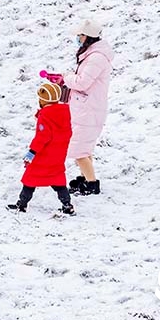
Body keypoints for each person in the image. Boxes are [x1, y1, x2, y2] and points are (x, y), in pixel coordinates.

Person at [56, 19, 114, 196]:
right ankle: (85, 178)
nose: (78, 38)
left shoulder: (96, 58)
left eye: (80, 35)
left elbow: (82, 83)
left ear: (88, 37)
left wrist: (67, 77)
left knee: (78, 150)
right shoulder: (93, 55)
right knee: (84, 148)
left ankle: (91, 184)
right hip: (86, 108)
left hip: (88, 110)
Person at [7, 83, 74, 215]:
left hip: (43, 155)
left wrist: (32, 152)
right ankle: (67, 204)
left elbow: (42, 137)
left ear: (44, 100)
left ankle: (22, 204)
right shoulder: (65, 113)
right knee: (58, 179)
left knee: (30, 179)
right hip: (58, 154)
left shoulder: (46, 116)